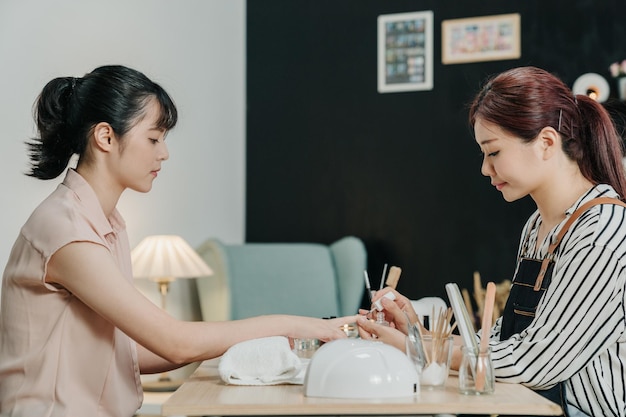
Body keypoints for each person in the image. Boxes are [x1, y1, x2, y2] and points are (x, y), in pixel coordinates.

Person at [0, 65, 357, 417]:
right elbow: (174, 342)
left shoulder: (106, 224)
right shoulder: (66, 229)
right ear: (106, 137)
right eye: (154, 139)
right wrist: (293, 323)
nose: (164, 153)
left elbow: (130, 353)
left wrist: (293, 334)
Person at [357, 66, 626, 417]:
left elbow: (535, 363)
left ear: (546, 142)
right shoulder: (537, 227)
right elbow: (500, 345)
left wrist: (418, 348)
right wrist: (418, 332)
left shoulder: (602, 230)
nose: (485, 168)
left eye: (494, 152)